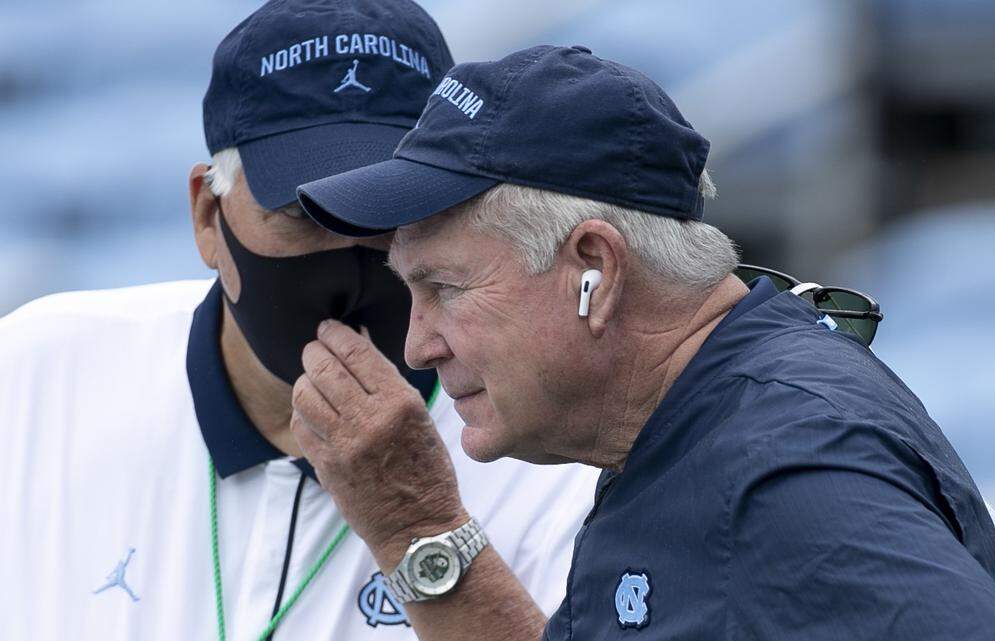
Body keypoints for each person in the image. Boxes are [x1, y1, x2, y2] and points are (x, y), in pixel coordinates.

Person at [292, 45, 995, 640]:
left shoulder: (783, 468)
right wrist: (419, 529)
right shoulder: (690, 424)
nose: (418, 343)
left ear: (594, 269)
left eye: (445, 289)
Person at [0, 7, 598, 641]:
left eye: (390, 210)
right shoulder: (36, 377)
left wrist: (419, 527)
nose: (351, 252)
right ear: (209, 216)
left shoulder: (556, 453)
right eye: (305, 211)